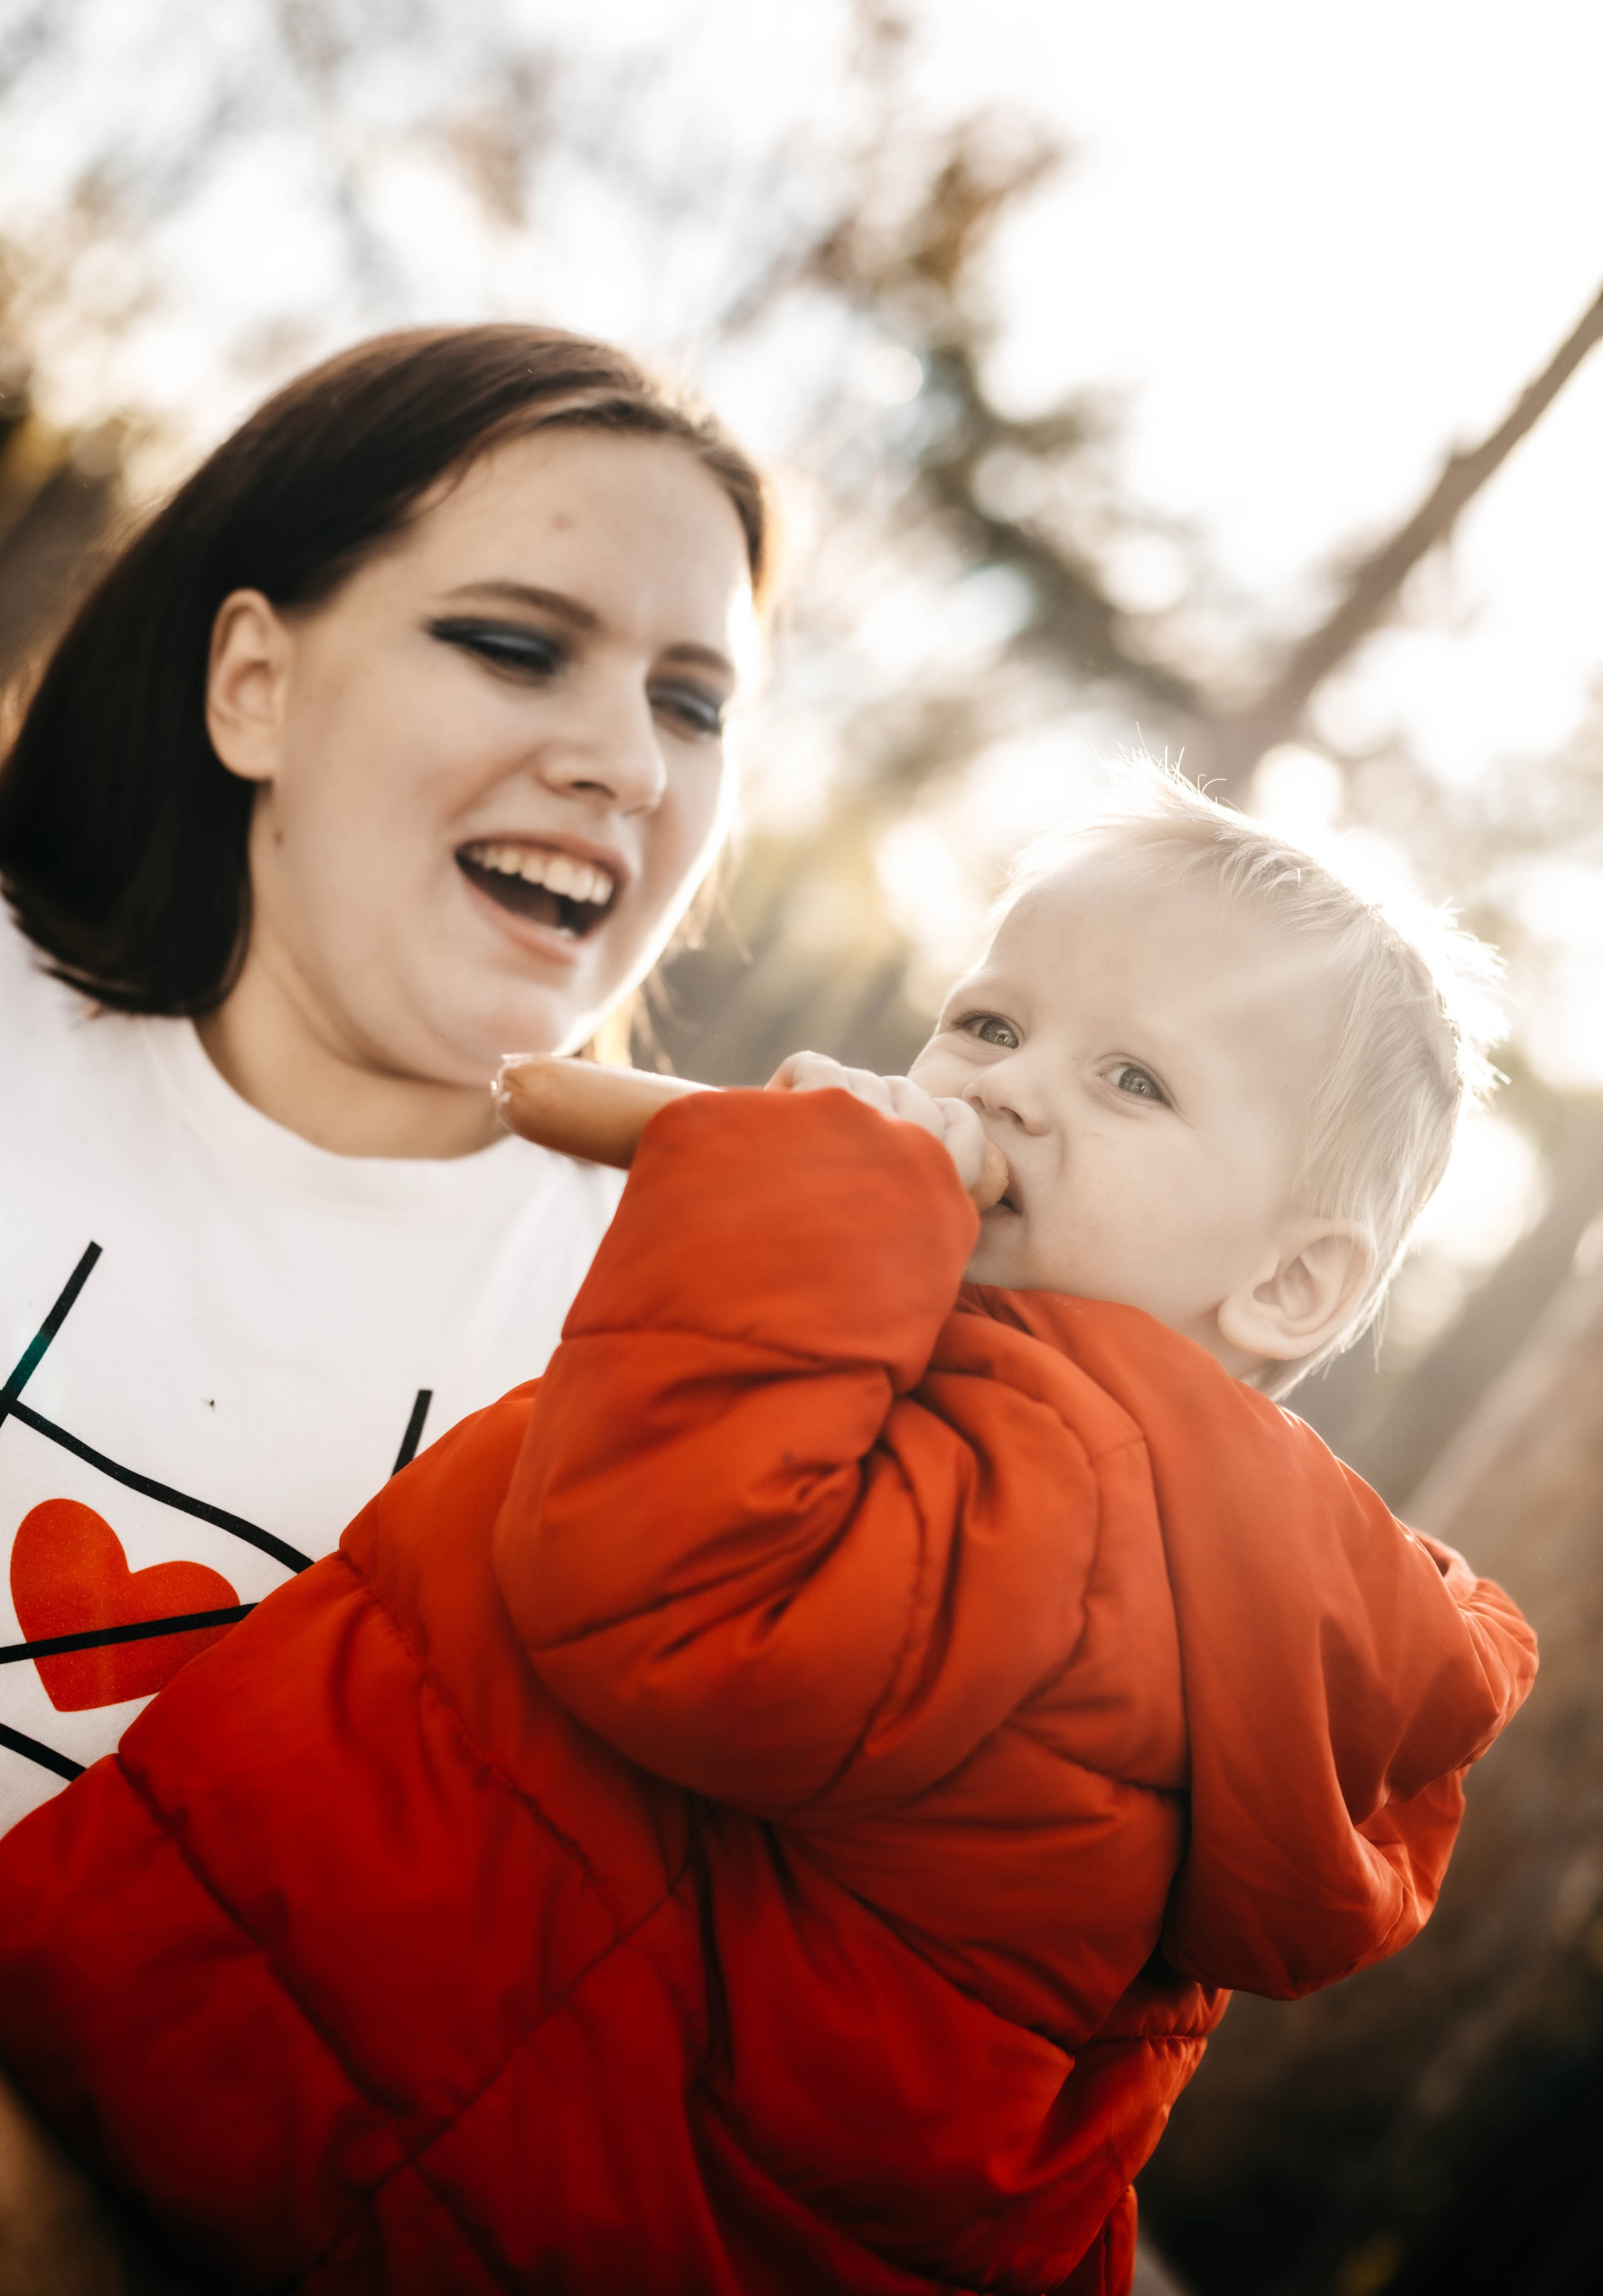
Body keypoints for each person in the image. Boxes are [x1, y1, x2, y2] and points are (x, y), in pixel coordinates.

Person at [0, 775, 1536, 2295]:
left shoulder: (1073, 1473)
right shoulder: (1034, 1440)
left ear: (1286, 1289)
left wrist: (798, 1216)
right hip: (392, 2129)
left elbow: (664, 1604)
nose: (1002, 1088)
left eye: (1133, 1082)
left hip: (366, 2171)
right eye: (991, 1024)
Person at [0, 323, 770, 2287]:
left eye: (695, 703)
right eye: (518, 645)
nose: (622, 756)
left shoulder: (699, 1374)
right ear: (254, 682)